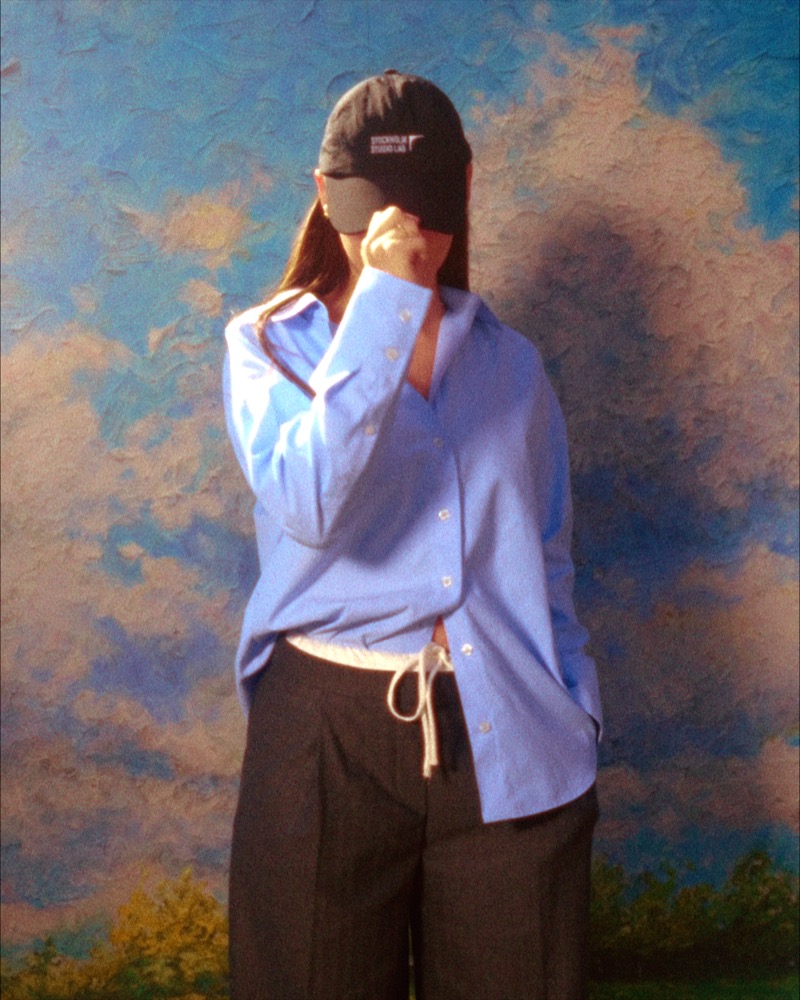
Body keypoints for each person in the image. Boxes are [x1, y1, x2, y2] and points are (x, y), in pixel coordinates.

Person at [223, 70, 602, 1000]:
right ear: (325, 197)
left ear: (464, 189)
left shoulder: (514, 366)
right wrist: (386, 307)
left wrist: (575, 708)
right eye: (368, 213)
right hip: (325, 734)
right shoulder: (266, 348)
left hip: (508, 725)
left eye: (423, 212)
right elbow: (310, 501)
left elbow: (548, 553)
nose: (398, 237)